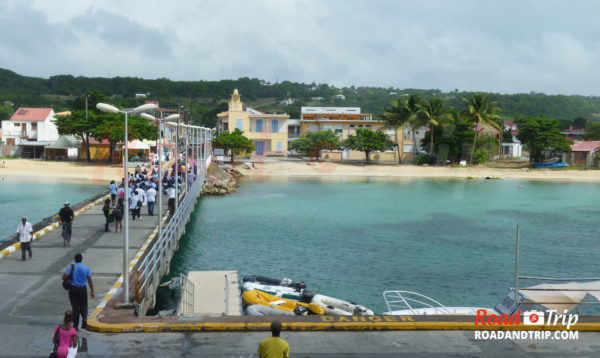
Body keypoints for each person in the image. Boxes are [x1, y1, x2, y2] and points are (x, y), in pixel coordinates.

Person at [62, 253, 95, 330]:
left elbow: (64, 277)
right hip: (83, 289)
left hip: (73, 289)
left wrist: (68, 279)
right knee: (84, 305)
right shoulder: (86, 268)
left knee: (75, 307)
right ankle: (84, 319)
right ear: (81, 259)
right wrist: (92, 291)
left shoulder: (71, 267)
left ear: (75, 259)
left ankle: (76, 325)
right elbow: (89, 280)